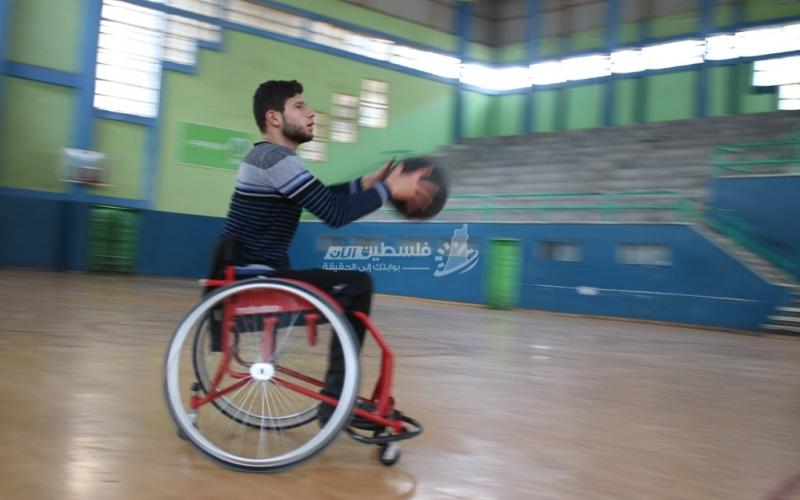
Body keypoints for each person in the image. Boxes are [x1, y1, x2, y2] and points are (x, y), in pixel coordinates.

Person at [221, 79, 436, 426]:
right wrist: (389, 189)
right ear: (274, 118)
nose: (311, 113)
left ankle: (338, 398)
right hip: (258, 279)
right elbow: (334, 214)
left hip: (251, 272)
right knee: (357, 285)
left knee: (352, 284)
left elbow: (322, 197)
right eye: (300, 106)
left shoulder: (269, 158)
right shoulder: (275, 159)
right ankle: (336, 401)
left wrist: (365, 185)